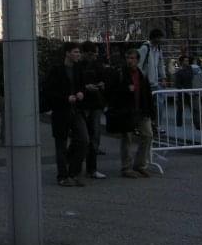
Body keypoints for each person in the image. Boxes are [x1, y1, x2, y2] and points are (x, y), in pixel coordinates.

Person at [44, 41, 89, 186]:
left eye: (79, 52)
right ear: (67, 53)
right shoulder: (56, 70)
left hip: (76, 110)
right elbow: (49, 91)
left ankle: (74, 172)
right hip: (61, 111)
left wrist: (81, 93)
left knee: (83, 139)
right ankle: (63, 176)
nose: (78, 55)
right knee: (61, 144)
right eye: (75, 52)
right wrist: (65, 98)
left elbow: (82, 85)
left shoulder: (78, 69)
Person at [110, 47, 154, 178]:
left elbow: (147, 94)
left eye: (132, 58)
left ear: (137, 60)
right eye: (128, 58)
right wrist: (125, 89)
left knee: (147, 135)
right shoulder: (120, 73)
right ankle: (126, 167)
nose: (130, 61)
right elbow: (112, 92)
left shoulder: (141, 74)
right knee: (127, 139)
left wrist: (151, 112)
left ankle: (140, 165)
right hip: (126, 111)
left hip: (140, 110)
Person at [79, 40, 107, 179]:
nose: (93, 57)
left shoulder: (97, 65)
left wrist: (102, 84)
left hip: (94, 103)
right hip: (85, 104)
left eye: (94, 54)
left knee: (94, 136)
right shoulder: (79, 66)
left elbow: (104, 78)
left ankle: (91, 168)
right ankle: (82, 166)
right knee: (84, 137)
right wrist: (85, 87)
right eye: (90, 54)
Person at [138, 28, 166, 132]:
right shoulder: (145, 48)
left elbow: (160, 64)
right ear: (155, 38)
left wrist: (163, 77)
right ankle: (146, 126)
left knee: (160, 103)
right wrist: (141, 80)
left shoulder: (158, 49)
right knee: (147, 106)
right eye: (160, 37)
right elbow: (139, 65)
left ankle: (157, 125)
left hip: (155, 82)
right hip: (146, 83)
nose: (162, 40)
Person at [174, 55, 202, 130]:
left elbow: (197, 75)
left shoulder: (190, 68)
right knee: (180, 109)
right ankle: (179, 124)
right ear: (181, 62)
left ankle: (198, 125)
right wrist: (184, 90)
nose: (187, 62)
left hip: (191, 92)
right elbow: (177, 84)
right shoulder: (179, 71)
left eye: (187, 60)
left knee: (195, 109)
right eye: (185, 61)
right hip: (182, 93)